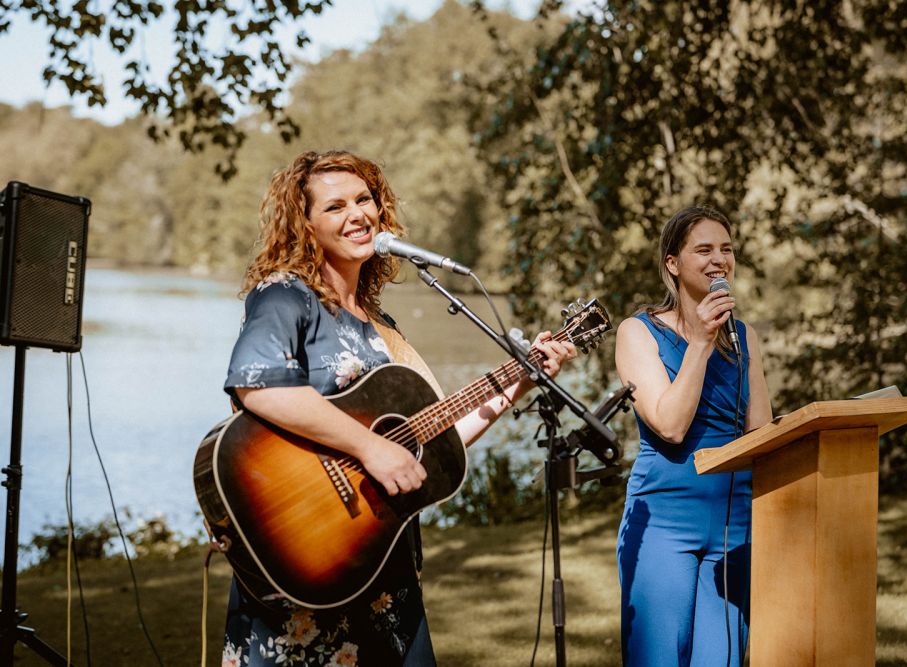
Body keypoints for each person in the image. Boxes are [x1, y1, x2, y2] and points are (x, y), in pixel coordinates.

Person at [219, 149, 576, 666]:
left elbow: (429, 436)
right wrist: (370, 447)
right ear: (306, 225)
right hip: (304, 553)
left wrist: (517, 382)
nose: (357, 214)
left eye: (365, 200)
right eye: (336, 206)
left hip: (383, 561)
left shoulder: (382, 327)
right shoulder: (285, 297)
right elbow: (258, 385)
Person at [614, 205, 772, 666]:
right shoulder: (637, 332)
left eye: (726, 249)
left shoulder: (746, 338)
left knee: (719, 659)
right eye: (703, 249)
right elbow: (670, 424)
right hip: (664, 520)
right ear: (673, 263)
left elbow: (760, 435)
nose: (718, 258)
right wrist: (701, 342)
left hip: (734, 523)